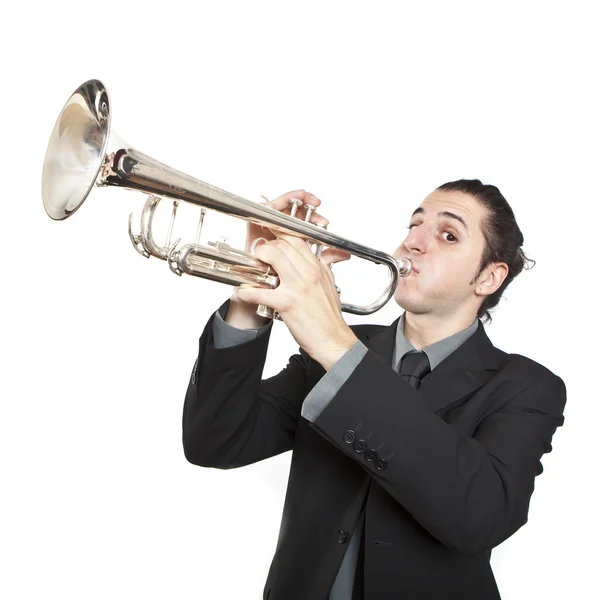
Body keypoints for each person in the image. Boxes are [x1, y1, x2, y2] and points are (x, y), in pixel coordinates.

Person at [182, 179, 567, 600]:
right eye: (413, 225)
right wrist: (251, 293)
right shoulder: (336, 350)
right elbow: (215, 443)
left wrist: (337, 345)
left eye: (448, 234)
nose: (414, 242)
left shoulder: (525, 387)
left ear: (489, 278)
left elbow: (478, 517)